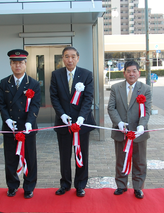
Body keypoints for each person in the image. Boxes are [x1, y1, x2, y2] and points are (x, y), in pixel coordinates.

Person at [50, 46, 96, 197]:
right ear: (62, 58)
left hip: (81, 124)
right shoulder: (56, 75)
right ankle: (65, 184)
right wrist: (62, 115)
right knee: (64, 155)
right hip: (63, 123)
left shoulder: (86, 74)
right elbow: (54, 97)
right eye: (66, 56)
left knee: (81, 154)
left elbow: (88, 98)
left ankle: (81, 185)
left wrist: (82, 117)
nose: (70, 60)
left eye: (73, 57)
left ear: (78, 58)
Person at [0, 49, 41, 199]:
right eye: (14, 63)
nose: (18, 66)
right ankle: (12, 185)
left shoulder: (33, 83)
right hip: (10, 128)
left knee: (30, 157)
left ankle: (29, 186)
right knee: (10, 158)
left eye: (20, 63)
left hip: (27, 128)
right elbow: (1, 104)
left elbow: (35, 104)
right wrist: (7, 119)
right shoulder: (4, 83)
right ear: (10, 65)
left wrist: (30, 122)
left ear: (25, 64)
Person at [107, 60, 151, 199]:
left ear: (138, 73)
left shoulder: (145, 89)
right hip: (121, 131)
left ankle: (138, 187)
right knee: (121, 159)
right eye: (128, 71)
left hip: (139, 132)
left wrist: (141, 125)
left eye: (134, 71)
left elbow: (147, 110)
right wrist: (118, 122)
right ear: (124, 72)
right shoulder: (115, 88)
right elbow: (111, 107)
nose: (131, 74)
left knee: (139, 160)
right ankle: (121, 185)